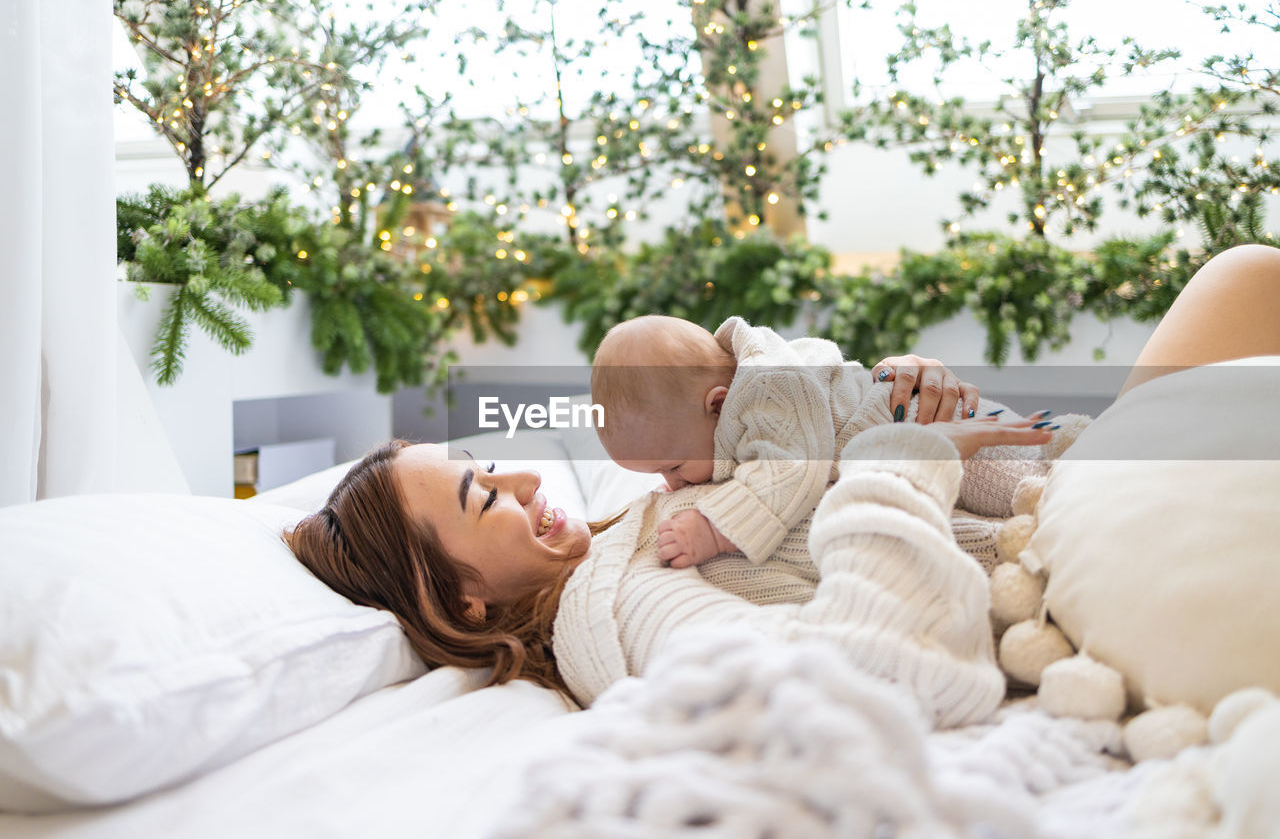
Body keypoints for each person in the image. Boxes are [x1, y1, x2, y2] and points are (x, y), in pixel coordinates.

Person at [285, 244, 1280, 729]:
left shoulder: (638, 519)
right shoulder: (619, 601)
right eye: (479, 499)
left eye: (482, 463)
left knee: (1246, 281)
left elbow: (812, 465)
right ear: (461, 598)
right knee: (1246, 281)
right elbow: (843, 674)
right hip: (1065, 568)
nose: (515, 475)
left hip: (1044, 503)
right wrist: (903, 462)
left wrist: (884, 397)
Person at [590, 314, 1060, 569]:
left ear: (717, 404)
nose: (672, 486)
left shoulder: (766, 391)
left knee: (1025, 484)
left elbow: (791, 473)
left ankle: (1062, 475)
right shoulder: (729, 406)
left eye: (673, 466)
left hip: (917, 426)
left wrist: (714, 531)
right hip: (896, 449)